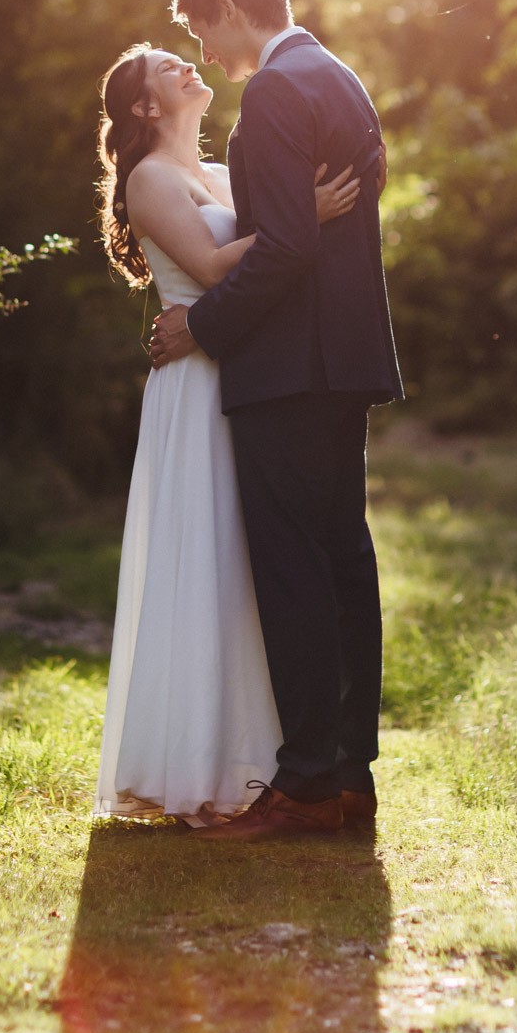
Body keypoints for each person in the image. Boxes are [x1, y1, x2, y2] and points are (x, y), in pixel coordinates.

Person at [150, 0, 402, 840]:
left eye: (201, 30)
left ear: (228, 6)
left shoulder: (278, 87)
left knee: (296, 575)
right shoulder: (337, 76)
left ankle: (303, 785)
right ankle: (347, 777)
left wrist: (200, 327)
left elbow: (289, 246)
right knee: (341, 565)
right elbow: (319, 227)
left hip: (291, 369)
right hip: (337, 364)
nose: (206, 53)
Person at [94, 40, 360, 825]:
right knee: (203, 557)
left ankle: (261, 757)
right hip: (195, 388)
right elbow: (212, 270)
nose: (188, 68)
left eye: (186, 58)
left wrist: (289, 224)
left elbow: (260, 272)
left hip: (244, 368)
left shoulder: (217, 174)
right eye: (167, 69)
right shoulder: (150, 179)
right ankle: (189, 764)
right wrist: (299, 219)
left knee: (252, 567)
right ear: (145, 109)